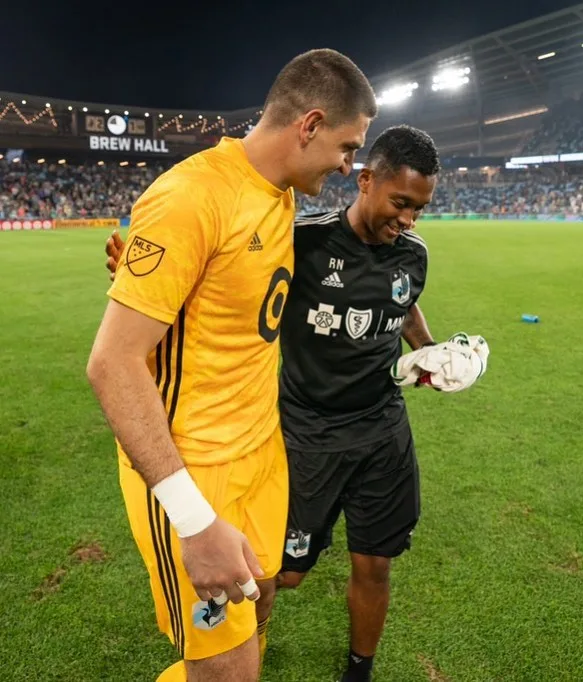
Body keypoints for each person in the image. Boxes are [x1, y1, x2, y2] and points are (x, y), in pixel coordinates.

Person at [105, 125, 489, 682]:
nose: (409, 219)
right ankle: (248, 644)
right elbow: (232, 280)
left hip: (382, 430)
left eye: (420, 209)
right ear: (366, 182)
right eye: (401, 203)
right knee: (281, 574)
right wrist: (152, 278)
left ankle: (360, 668)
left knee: (376, 561)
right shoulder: (302, 240)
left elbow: (405, 305)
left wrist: (428, 353)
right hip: (307, 435)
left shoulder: (414, 254)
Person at [87, 48, 377, 682]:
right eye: (348, 147)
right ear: (310, 125)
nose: (349, 164)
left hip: (260, 452)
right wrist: (193, 521)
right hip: (195, 469)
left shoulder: (279, 192)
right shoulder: (191, 195)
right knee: (229, 669)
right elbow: (112, 363)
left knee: (263, 599)